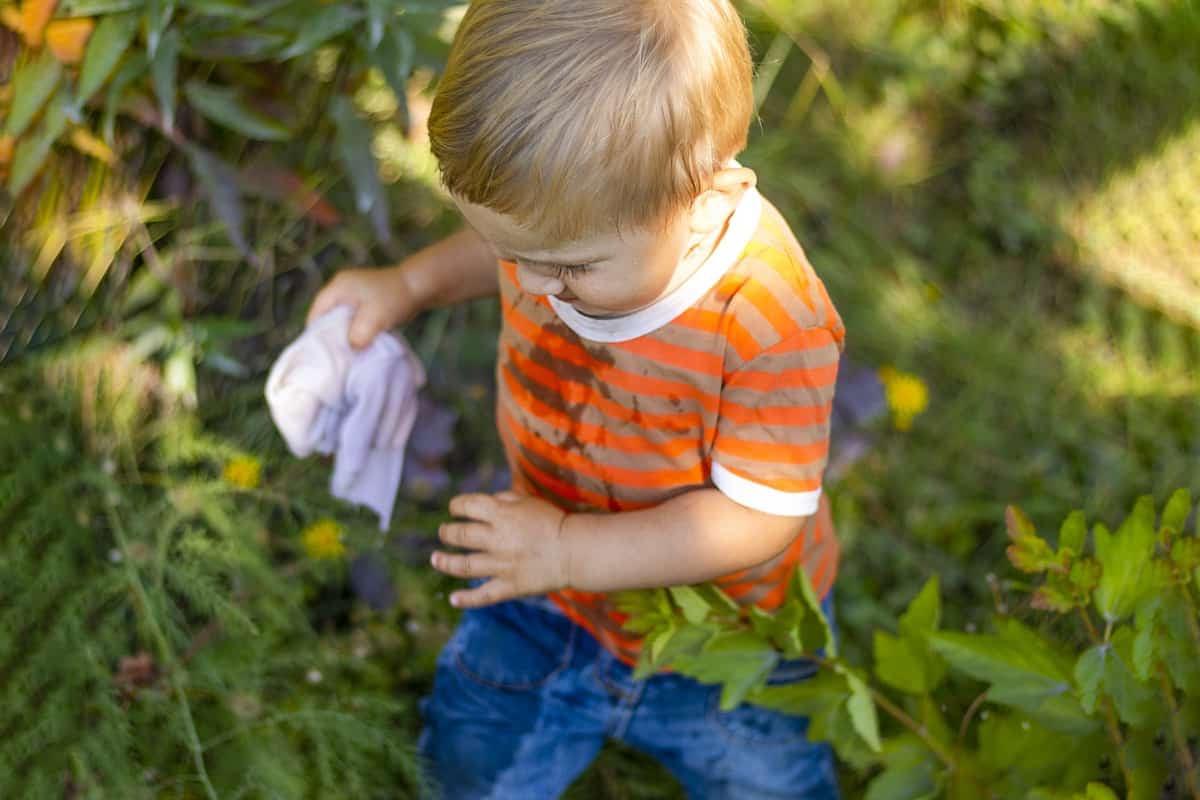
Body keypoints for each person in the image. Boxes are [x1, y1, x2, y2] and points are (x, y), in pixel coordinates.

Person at [307, 1, 845, 796]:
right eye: (508, 251)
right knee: (472, 757)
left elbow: (757, 519)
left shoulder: (769, 318)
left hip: (728, 639)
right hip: (546, 591)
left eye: (568, 268)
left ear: (702, 203)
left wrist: (569, 551)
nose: (529, 283)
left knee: (767, 780)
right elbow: (529, 245)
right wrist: (410, 284)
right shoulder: (572, 233)